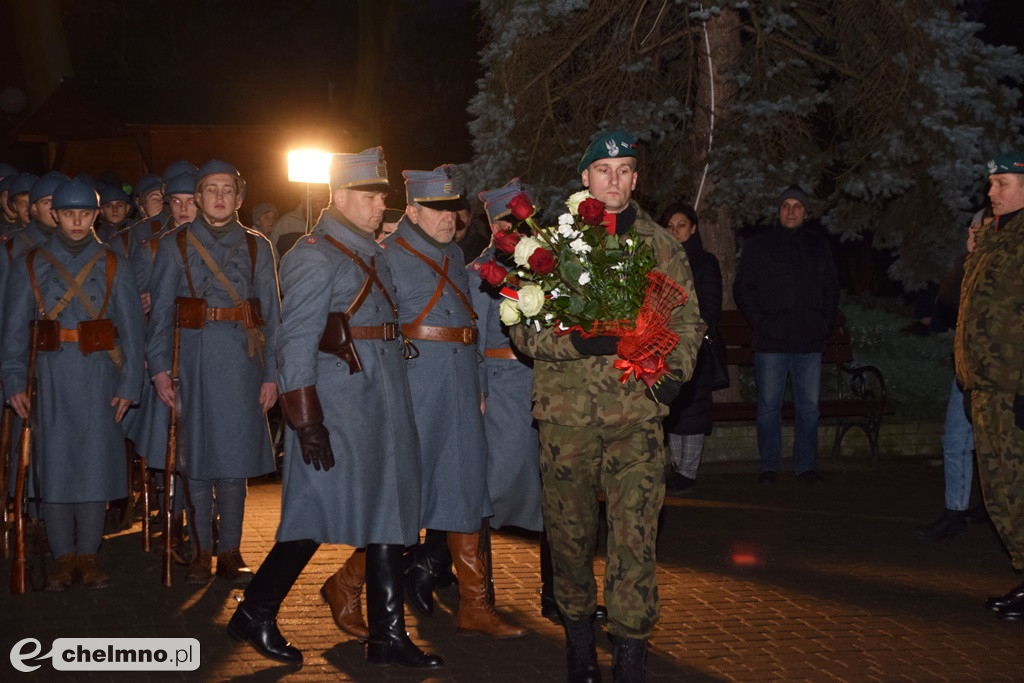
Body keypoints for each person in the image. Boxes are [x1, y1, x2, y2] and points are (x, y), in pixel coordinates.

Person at [229, 147, 440, 668]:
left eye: (381, 197)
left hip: (383, 400)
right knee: (312, 512)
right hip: (340, 408)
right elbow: (294, 341)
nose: (378, 206)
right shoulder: (313, 254)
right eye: (370, 196)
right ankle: (255, 611)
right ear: (340, 196)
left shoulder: (374, 252)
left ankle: (387, 634)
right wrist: (306, 421)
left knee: (390, 515)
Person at [508, 131, 704, 682]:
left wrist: (674, 375)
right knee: (569, 536)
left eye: (624, 169)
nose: (614, 179)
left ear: (636, 179)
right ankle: (577, 640)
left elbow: (688, 321)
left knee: (635, 536)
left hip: (637, 417)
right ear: (585, 178)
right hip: (566, 417)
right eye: (603, 169)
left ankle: (631, 654)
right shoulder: (553, 245)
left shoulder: (662, 244)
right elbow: (523, 329)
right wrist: (574, 342)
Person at [381, 165, 526, 640]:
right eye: (438, 210)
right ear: (414, 210)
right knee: (408, 498)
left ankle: (475, 606)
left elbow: (472, 328)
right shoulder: (390, 256)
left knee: (465, 488)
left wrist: (480, 382)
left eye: (453, 210)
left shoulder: (454, 254)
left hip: (461, 381)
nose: (450, 218)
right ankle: (345, 585)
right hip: (418, 383)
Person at [1, 177, 145, 590]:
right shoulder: (30, 262)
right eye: (68, 214)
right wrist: (13, 381)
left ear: (97, 215)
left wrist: (130, 384)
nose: (77, 222)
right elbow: (12, 332)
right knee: (55, 466)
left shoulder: (114, 262)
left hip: (100, 373)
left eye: (85, 214)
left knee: (96, 466)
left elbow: (132, 332)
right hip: (48, 376)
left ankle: (89, 554)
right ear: (54, 215)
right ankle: (64, 557)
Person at [147, 160, 281, 584]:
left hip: (243, 361)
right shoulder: (175, 245)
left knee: (234, 463)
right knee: (197, 459)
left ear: (239, 198)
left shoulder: (259, 245)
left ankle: (231, 552)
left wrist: (273, 373)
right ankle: (202, 550)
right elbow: (161, 315)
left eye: (228, 189)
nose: (220, 197)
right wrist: (159, 369)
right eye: (210, 189)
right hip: (193, 360)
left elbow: (273, 315)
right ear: (199, 198)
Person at [468, 179, 547, 603]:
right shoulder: (480, 272)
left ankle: (558, 595)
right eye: (502, 222)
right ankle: (443, 571)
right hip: (501, 389)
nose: (510, 229)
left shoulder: (551, 264)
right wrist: (479, 389)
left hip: (547, 385)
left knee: (557, 493)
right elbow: (473, 339)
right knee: (492, 489)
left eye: (518, 219)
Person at [954, 152, 1024, 621]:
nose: (990, 192)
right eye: (990, 184)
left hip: (1014, 386)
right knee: (1001, 491)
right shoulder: (994, 237)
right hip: (985, 386)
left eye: (1001, 183)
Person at [734, 185, 839, 485]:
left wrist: (824, 323)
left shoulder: (818, 245)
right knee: (769, 407)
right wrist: (764, 324)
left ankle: (806, 465)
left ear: (806, 212)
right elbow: (743, 289)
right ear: (778, 211)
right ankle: (769, 465)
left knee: (809, 408)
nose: (791, 211)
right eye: (785, 206)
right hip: (771, 343)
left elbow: (832, 288)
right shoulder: (760, 245)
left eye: (797, 206)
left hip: (809, 342)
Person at [916, 210, 988, 541]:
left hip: (996, 370)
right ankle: (955, 509)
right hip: (965, 366)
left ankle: (993, 509)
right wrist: (968, 258)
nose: (973, 231)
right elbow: (946, 299)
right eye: (971, 227)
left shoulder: (1006, 261)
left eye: (981, 226)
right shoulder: (969, 263)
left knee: (995, 443)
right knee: (955, 438)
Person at [660, 202, 723, 494]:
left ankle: (688, 470)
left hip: (694, 343)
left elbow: (709, 304)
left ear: (693, 228)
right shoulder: (661, 258)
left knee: (694, 407)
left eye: (681, 225)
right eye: (670, 226)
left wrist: (692, 334)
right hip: (663, 341)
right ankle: (674, 465)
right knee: (673, 405)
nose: (675, 231)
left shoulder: (704, 261)